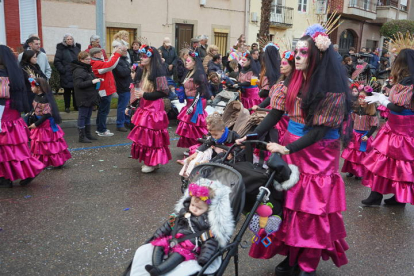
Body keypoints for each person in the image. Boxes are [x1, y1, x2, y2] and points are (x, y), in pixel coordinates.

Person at [240, 25, 352, 275]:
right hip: (292, 145)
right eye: (297, 51)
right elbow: (277, 112)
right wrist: (249, 135)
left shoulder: (332, 89)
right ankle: (291, 256)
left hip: (318, 152)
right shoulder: (291, 81)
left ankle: (306, 261)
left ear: (318, 56)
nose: (298, 56)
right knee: (287, 204)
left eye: (304, 52)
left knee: (311, 209)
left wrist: (287, 148)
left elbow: (318, 132)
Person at [130, 180, 234, 276]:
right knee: (159, 245)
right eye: (192, 205)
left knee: (178, 255)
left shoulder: (207, 224)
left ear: (208, 209)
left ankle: (159, 270)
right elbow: (170, 224)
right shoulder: (183, 213)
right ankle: (156, 266)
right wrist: (159, 233)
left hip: (189, 246)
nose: (194, 209)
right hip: (174, 239)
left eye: (199, 208)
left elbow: (210, 243)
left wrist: (204, 258)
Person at [362, 48, 414, 206]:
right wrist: (383, 97)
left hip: (403, 131)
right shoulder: (405, 80)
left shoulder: (410, 82)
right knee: (387, 161)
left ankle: (395, 197)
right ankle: (387, 196)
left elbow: (399, 107)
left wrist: (382, 101)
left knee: (395, 163)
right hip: (395, 127)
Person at [0, 45, 44, 188]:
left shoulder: (2, 73)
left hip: (4, 114)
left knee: (7, 148)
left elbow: (2, 94)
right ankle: (6, 176)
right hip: (12, 113)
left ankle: (19, 173)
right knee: (11, 148)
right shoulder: (15, 71)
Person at [127, 44, 172, 173]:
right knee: (144, 136)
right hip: (144, 107)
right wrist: (131, 105)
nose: (142, 58)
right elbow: (136, 91)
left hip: (154, 109)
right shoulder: (142, 71)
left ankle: (152, 162)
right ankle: (152, 161)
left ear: (151, 58)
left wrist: (144, 95)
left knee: (152, 137)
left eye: (145, 56)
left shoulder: (158, 72)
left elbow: (164, 92)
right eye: (141, 56)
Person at [28, 78, 71, 168]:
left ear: (38, 87)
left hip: (45, 124)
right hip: (39, 122)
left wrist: (36, 124)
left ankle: (56, 161)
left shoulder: (45, 98)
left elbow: (47, 114)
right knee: (40, 144)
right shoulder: (36, 96)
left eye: (32, 86)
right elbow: (34, 107)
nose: (31, 88)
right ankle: (42, 161)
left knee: (48, 143)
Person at [341, 87, 378, 180]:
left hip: (364, 136)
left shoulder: (371, 112)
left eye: (363, 97)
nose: (360, 99)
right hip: (354, 134)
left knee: (360, 155)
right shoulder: (356, 109)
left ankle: (359, 172)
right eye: (359, 97)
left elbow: (374, 126)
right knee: (351, 153)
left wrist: (368, 135)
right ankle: (351, 170)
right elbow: (352, 121)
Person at [176, 50, 210, 150]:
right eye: (186, 60)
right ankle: (193, 147)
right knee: (189, 125)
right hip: (190, 102)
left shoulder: (199, 74)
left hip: (197, 103)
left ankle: (198, 147)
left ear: (194, 62)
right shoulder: (189, 72)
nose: (186, 62)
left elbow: (199, 92)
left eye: (188, 61)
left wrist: (192, 106)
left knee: (195, 125)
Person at [90, 47, 122, 137]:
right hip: (104, 90)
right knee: (104, 110)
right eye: (100, 53)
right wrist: (117, 54)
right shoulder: (97, 63)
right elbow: (111, 65)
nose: (102, 54)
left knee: (102, 110)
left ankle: (99, 128)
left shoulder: (98, 62)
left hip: (104, 90)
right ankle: (102, 130)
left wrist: (114, 53)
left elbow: (109, 62)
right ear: (95, 55)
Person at [71, 51, 101, 143]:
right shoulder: (78, 70)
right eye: (87, 59)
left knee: (88, 116)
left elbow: (90, 78)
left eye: (89, 59)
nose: (89, 61)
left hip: (90, 96)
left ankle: (88, 134)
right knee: (82, 116)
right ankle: (82, 136)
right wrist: (92, 82)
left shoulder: (87, 68)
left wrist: (97, 80)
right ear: (81, 60)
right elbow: (78, 84)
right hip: (83, 97)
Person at [54, 34, 81, 113]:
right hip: (66, 73)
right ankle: (67, 106)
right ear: (65, 41)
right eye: (68, 39)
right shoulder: (61, 49)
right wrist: (63, 70)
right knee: (67, 91)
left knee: (76, 90)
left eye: (71, 39)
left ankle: (76, 106)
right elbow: (57, 61)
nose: (69, 40)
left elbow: (80, 59)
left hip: (76, 72)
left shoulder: (76, 49)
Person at [113, 45, 132, 132]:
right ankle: (120, 124)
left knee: (128, 106)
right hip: (122, 86)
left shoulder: (125, 60)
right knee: (122, 106)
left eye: (126, 50)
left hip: (128, 85)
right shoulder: (117, 60)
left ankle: (127, 122)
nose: (125, 52)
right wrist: (130, 70)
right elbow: (122, 73)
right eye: (123, 50)